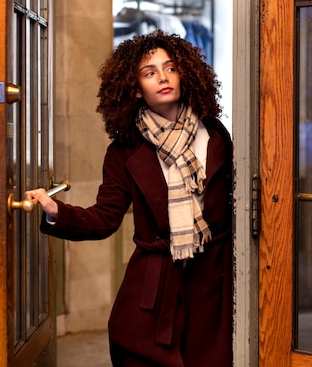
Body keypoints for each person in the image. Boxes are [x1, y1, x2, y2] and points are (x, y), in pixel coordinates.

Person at [25, 30, 233, 367]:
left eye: (170, 68)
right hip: (154, 285)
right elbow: (105, 217)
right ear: (135, 88)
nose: (163, 78)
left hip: (212, 283)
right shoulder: (124, 151)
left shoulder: (215, 134)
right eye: (150, 73)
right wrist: (54, 210)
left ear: (185, 74)